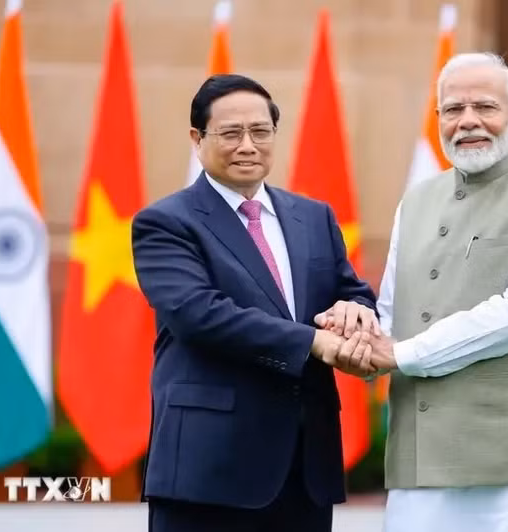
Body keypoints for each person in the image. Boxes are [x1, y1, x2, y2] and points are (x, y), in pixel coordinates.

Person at [330, 52, 508, 531]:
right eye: (453, 109)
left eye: (485, 107)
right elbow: (392, 309)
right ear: (438, 119)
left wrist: (401, 354)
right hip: (420, 456)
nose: (468, 121)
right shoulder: (415, 202)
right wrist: (356, 340)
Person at [131, 74, 378, 532]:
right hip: (209, 470)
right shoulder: (165, 222)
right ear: (197, 139)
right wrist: (315, 343)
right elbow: (198, 314)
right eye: (230, 133)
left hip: (305, 467)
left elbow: (352, 290)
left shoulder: (313, 216)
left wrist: (356, 312)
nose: (248, 145)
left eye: (260, 132)